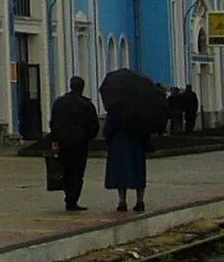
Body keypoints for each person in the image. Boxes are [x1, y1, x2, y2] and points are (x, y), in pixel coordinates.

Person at [99, 69, 158, 214]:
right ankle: (140, 201)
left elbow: (108, 130)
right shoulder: (141, 110)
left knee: (121, 175)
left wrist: (108, 137)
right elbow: (147, 128)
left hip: (119, 145)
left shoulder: (115, 110)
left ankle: (122, 201)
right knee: (139, 173)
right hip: (137, 145)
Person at [47, 75, 100, 212]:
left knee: (64, 170)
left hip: (63, 143)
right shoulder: (86, 104)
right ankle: (72, 200)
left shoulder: (59, 102)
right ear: (82, 88)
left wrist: (54, 140)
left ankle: (68, 197)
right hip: (79, 145)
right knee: (77, 173)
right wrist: (86, 137)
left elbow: (53, 123)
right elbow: (93, 126)